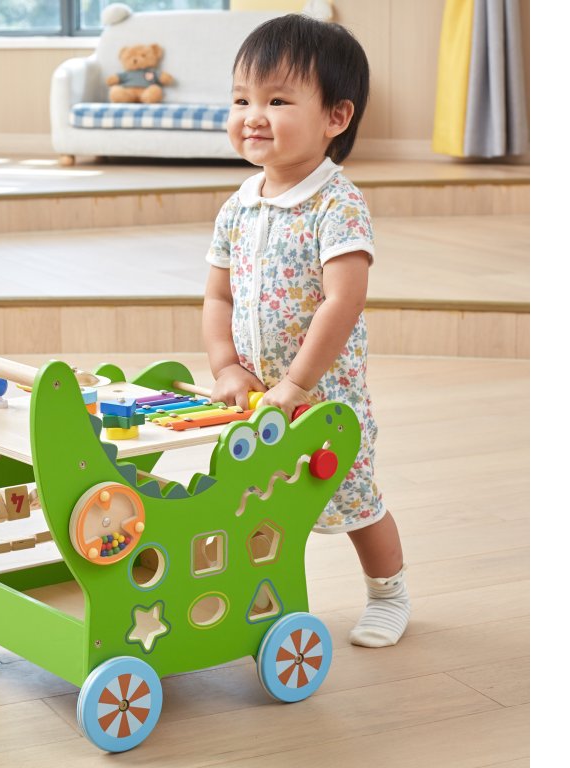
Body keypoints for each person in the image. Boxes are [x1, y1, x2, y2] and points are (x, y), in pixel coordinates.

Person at [202, 13, 409, 647]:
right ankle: (257, 598)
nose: (253, 116)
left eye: (277, 101)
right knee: (252, 502)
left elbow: (343, 301)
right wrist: (226, 365)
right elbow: (217, 293)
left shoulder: (336, 203)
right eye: (242, 99)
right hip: (257, 400)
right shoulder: (238, 205)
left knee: (353, 500)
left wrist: (297, 382)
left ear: (336, 118)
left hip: (323, 402)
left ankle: (389, 594)